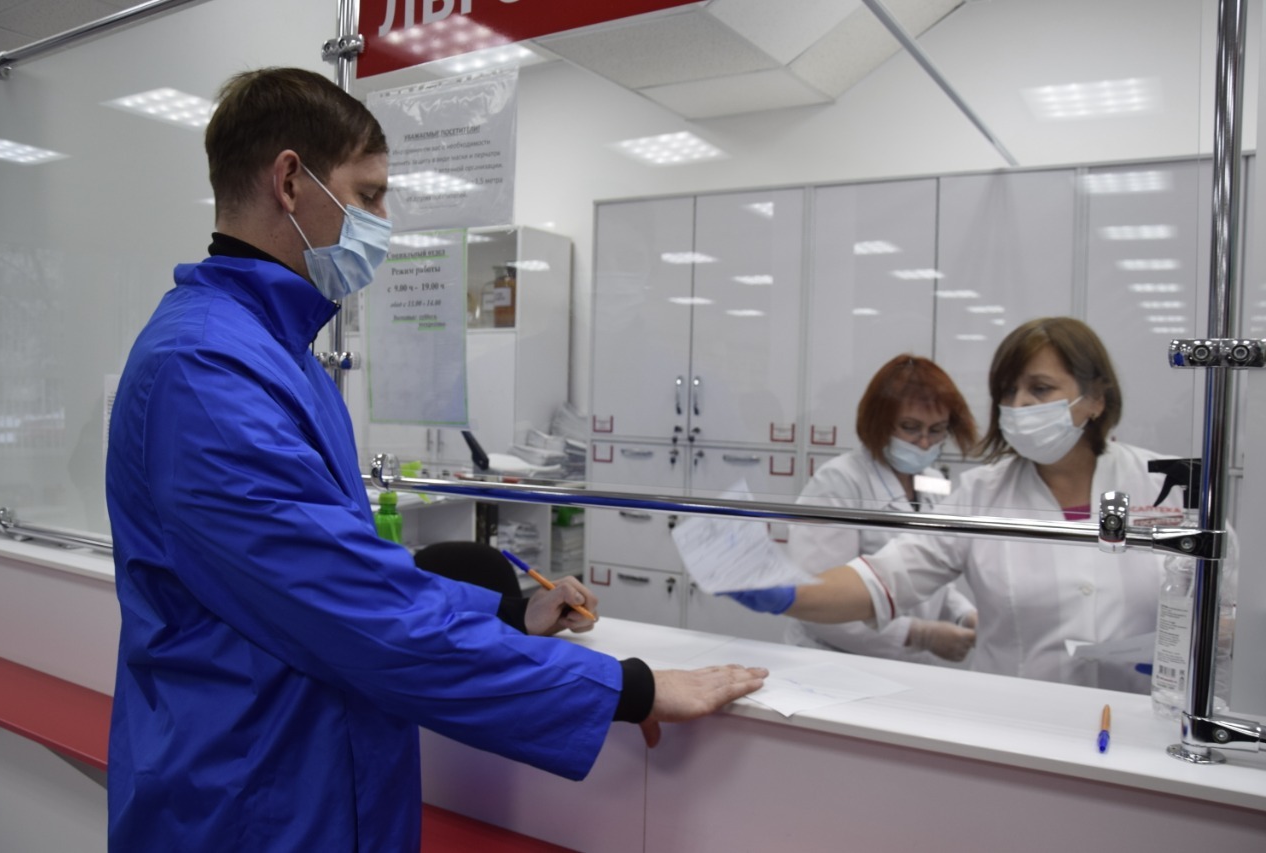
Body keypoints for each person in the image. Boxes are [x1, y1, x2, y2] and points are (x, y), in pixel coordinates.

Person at [104, 67, 766, 853]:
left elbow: (349, 572)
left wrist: (508, 613)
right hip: (246, 805)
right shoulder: (206, 371)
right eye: (370, 194)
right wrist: (627, 687)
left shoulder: (280, 356)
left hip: (311, 785)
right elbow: (360, 612)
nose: (384, 222)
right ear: (290, 181)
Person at [729, 317, 1180, 693]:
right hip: (1018, 717)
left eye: (1040, 389)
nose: (1019, 405)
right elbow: (887, 578)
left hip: (1135, 714)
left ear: (1096, 398)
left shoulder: (1162, 483)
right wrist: (789, 593)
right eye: (1008, 392)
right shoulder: (982, 492)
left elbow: (1208, 594)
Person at [782, 354, 978, 664]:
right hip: (834, 663)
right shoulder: (839, 482)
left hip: (906, 667)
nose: (924, 443)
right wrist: (917, 635)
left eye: (937, 430)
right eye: (910, 428)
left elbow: (930, 574)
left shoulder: (933, 481)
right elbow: (814, 601)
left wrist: (964, 614)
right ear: (879, 423)